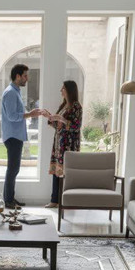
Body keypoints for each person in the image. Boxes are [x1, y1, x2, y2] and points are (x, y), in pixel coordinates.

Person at [1, 64, 44, 208]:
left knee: (14, 169)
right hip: (12, 136)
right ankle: (8, 201)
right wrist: (30, 114)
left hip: (16, 136)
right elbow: (12, 116)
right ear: (17, 76)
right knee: (13, 169)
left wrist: (29, 114)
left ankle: (10, 198)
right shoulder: (10, 93)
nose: (27, 78)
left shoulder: (15, 91)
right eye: (25, 75)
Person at [43, 80, 82, 208]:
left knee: (67, 174)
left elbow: (76, 126)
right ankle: (54, 200)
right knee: (57, 171)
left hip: (69, 145)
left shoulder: (76, 106)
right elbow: (58, 125)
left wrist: (62, 119)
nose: (61, 90)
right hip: (59, 144)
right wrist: (49, 117)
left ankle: (66, 201)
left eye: (63, 88)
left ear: (69, 91)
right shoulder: (64, 105)